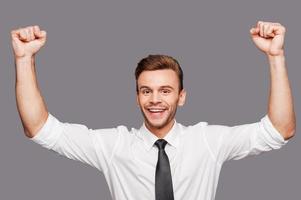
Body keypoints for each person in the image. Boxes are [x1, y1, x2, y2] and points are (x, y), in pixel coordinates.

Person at [12, 21, 296, 200]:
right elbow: (39, 128)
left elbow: (280, 130)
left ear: (181, 97)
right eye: (146, 91)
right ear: (137, 97)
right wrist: (24, 58)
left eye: (165, 90)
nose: (155, 100)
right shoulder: (113, 146)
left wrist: (276, 56)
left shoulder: (208, 142)